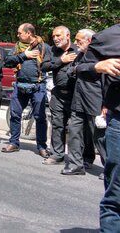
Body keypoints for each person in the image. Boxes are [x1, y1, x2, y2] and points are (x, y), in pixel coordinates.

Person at [70, 24, 120, 230]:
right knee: (117, 191)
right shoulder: (109, 36)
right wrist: (97, 67)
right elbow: (80, 68)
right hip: (119, 120)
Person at [2, 23, 52, 157]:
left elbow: (49, 64)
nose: (18, 35)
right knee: (15, 114)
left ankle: (42, 146)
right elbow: (7, 61)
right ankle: (14, 143)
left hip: (38, 86)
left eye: (19, 33)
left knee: (40, 117)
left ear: (28, 33)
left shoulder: (44, 47)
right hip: (20, 86)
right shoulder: (18, 47)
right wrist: (24, 55)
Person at [63, 29, 105, 176]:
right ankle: (76, 165)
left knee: (98, 135)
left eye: (78, 40)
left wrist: (105, 105)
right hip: (78, 99)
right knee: (74, 132)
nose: (75, 43)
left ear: (89, 40)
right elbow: (70, 71)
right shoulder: (80, 54)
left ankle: (110, 168)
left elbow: (105, 77)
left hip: (95, 100)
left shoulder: (101, 54)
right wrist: (77, 69)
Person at [44, 26, 78, 165]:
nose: (56, 39)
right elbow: (43, 66)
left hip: (76, 95)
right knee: (57, 125)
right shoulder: (52, 50)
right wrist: (60, 61)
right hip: (58, 94)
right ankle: (57, 155)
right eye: (53, 36)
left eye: (58, 35)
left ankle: (80, 158)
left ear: (68, 36)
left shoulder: (78, 50)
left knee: (76, 128)